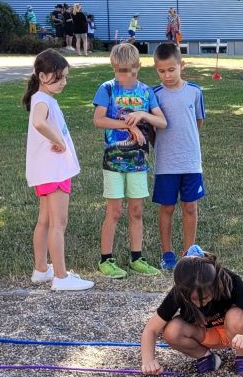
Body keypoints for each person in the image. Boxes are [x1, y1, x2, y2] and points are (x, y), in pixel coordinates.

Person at [141, 246, 243, 377]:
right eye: (192, 299)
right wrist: (148, 360)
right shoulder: (180, 291)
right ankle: (206, 357)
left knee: (237, 316)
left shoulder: (229, 281)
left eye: (204, 297)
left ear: (215, 284)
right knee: (171, 330)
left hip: (235, 335)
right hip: (205, 334)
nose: (199, 304)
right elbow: (151, 329)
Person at [93, 42, 167, 278]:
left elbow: (162, 121)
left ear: (139, 66)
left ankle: (137, 258)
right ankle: (106, 259)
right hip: (113, 161)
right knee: (114, 211)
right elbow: (99, 120)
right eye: (120, 71)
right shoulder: (107, 89)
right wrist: (127, 125)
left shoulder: (146, 92)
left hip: (138, 162)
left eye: (130, 71)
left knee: (136, 211)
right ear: (113, 68)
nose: (125, 76)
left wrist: (143, 114)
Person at [23, 49, 94, 292]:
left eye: (65, 77)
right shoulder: (42, 100)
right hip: (54, 171)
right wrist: (59, 141)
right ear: (43, 76)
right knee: (58, 224)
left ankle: (41, 269)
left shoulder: (42, 98)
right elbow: (39, 122)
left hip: (47, 172)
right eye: (59, 77)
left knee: (45, 221)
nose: (64, 82)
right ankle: (61, 277)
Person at [152, 42, 205, 271]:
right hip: (166, 163)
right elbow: (152, 129)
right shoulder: (154, 95)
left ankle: (189, 252)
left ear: (181, 65)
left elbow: (198, 121)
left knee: (190, 206)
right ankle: (167, 253)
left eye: (171, 70)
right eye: (161, 71)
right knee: (167, 208)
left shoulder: (195, 92)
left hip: (190, 162)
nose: (167, 75)